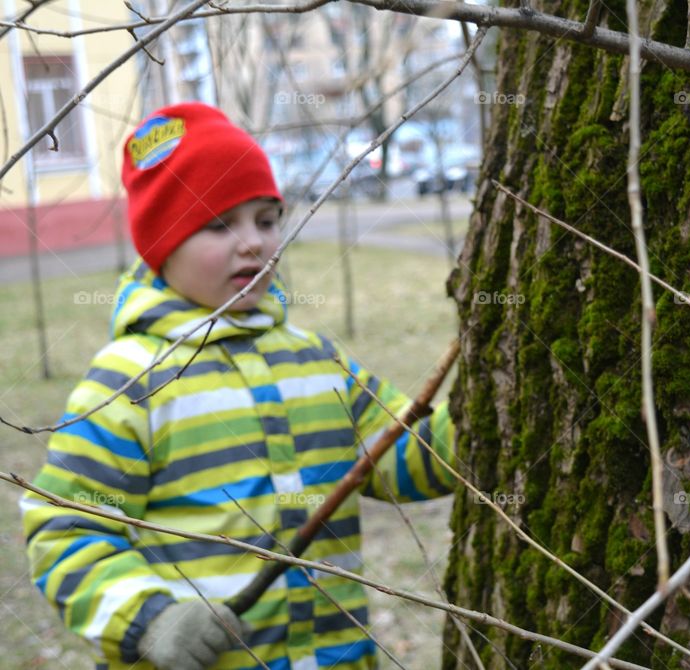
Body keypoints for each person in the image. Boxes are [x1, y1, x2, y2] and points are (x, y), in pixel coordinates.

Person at [20, 102, 458, 670]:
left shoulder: (318, 361)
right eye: (219, 224)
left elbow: (403, 459)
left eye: (267, 220)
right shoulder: (128, 383)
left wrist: (479, 415)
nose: (253, 243)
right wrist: (152, 618)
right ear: (163, 245)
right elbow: (67, 528)